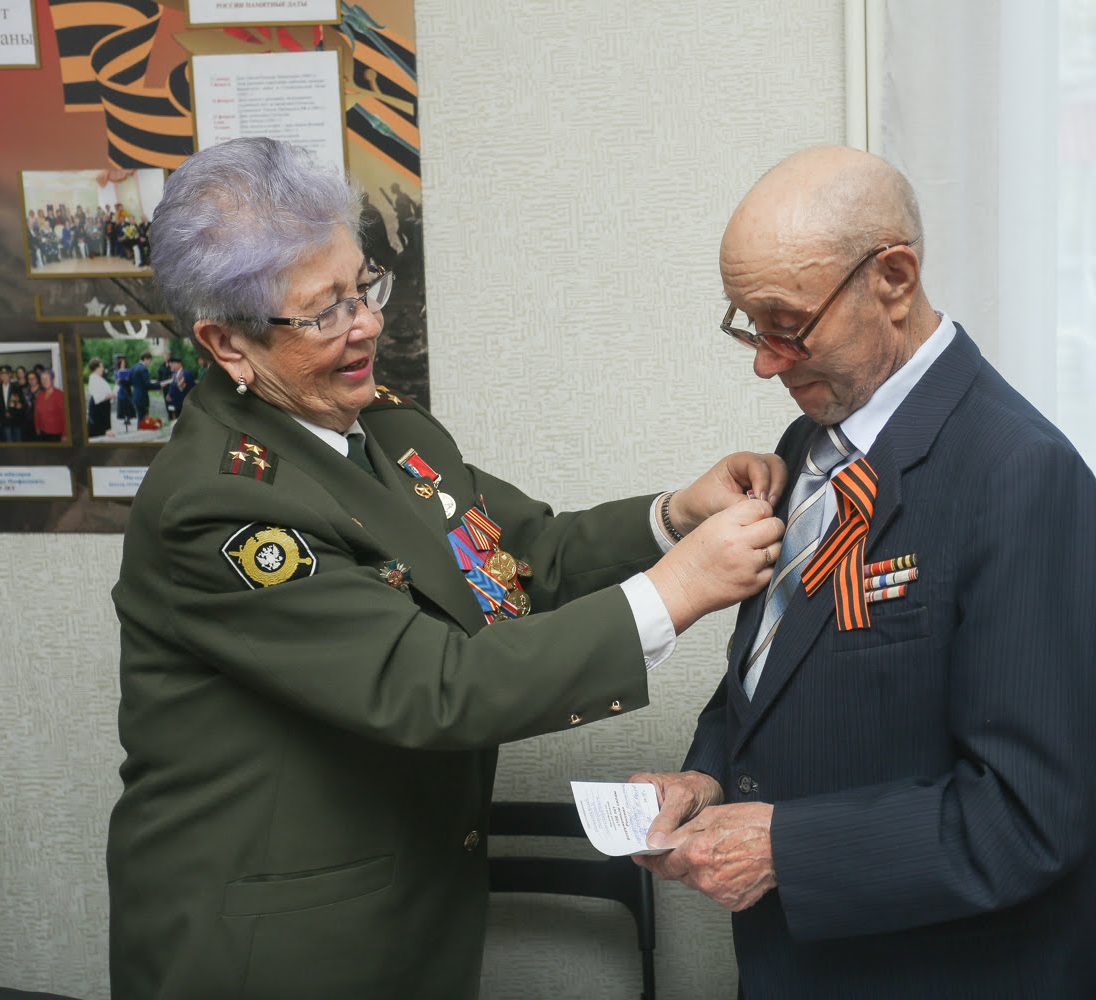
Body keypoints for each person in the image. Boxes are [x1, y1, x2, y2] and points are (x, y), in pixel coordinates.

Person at [107, 136, 787, 1000]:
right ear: (227, 344)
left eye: (363, 287)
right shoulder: (218, 505)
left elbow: (518, 559)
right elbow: (430, 686)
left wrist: (673, 516)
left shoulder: (384, 426)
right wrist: (677, 590)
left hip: (409, 918)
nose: (364, 325)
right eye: (323, 313)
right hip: (273, 948)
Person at [631, 146, 1096, 998]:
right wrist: (708, 775)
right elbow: (776, 670)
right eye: (748, 325)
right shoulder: (813, 444)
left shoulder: (1023, 477)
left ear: (895, 280)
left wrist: (784, 849)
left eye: (787, 324)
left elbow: (1036, 812)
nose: (765, 360)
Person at [31, 369, 66, 442]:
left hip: (56, 434)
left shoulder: (60, 395)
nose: (44, 381)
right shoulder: (39, 395)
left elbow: (65, 416)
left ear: (52, 379)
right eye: (42, 379)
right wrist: (37, 427)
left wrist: (65, 434)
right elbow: (36, 414)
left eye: (47, 378)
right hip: (42, 432)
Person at [86, 358, 115, 438]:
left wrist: (111, 395)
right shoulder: (94, 379)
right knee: (97, 432)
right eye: (101, 366)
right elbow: (98, 398)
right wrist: (110, 395)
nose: (103, 368)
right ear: (97, 368)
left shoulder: (98, 378)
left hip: (103, 407)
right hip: (98, 408)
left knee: (104, 431)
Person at [161, 355, 194, 420]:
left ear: (178, 364)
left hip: (183, 405)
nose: (170, 365)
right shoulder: (174, 374)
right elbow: (173, 385)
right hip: (176, 404)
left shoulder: (185, 373)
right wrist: (169, 394)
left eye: (172, 363)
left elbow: (182, 387)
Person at [0, 365, 23, 443]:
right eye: (2, 374)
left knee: (18, 442)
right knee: (9, 442)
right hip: (4, 420)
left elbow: (20, 404)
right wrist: (4, 414)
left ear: (10, 375)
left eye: (6, 374)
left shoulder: (16, 387)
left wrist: (11, 413)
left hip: (16, 419)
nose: (4, 377)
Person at [127, 351, 152, 422]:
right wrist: (159, 385)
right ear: (145, 359)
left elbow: (129, 382)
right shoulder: (143, 369)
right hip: (142, 398)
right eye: (149, 360)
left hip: (136, 397)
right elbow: (147, 384)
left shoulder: (133, 367)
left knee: (140, 419)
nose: (150, 363)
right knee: (144, 420)